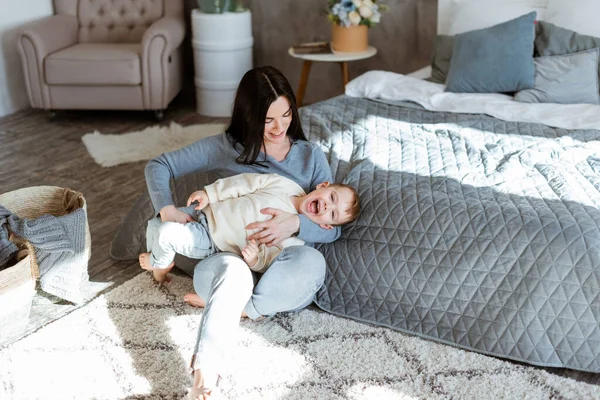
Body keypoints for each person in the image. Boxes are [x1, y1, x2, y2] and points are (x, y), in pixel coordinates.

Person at [144, 66, 343, 399]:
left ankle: (243, 308)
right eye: (268, 120)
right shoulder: (225, 147)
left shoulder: (310, 157)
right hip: (222, 256)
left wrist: (293, 223)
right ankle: (204, 380)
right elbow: (159, 165)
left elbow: (332, 231)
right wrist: (167, 208)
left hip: (276, 265)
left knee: (313, 265)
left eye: (286, 115)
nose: (280, 128)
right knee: (234, 272)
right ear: (249, 116)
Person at [139, 172, 360, 280]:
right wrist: (210, 193)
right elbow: (243, 183)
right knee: (156, 223)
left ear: (327, 226)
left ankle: (161, 261)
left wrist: (255, 259)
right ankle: (161, 268)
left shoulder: (294, 239)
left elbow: (270, 260)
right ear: (323, 186)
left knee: (167, 233)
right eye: (331, 197)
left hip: (212, 239)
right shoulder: (285, 185)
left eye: (332, 213)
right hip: (206, 212)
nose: (325, 206)